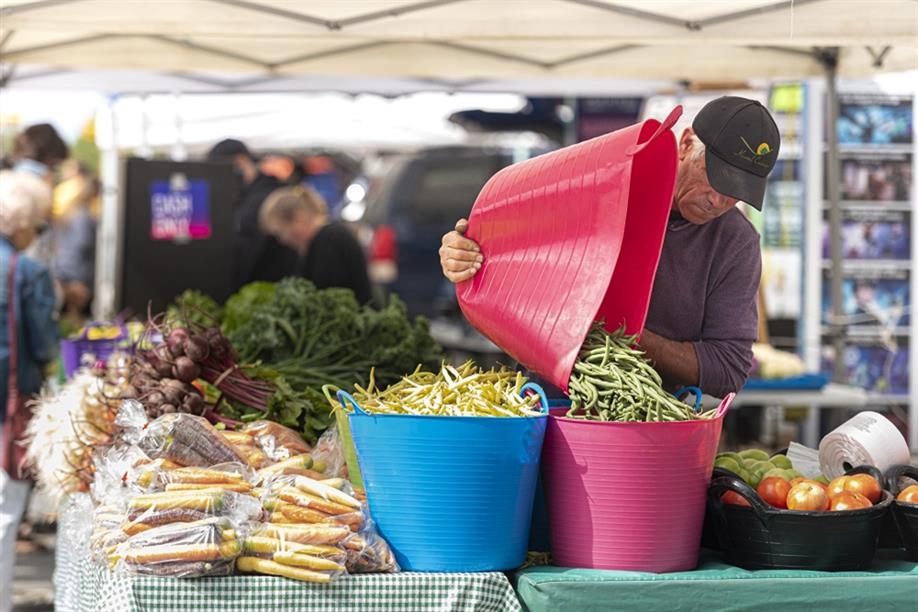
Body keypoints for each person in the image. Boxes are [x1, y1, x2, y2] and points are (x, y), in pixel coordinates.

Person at [439, 96, 781, 398]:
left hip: (648, 423)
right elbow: (501, 260)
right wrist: (463, 255)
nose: (719, 200)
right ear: (686, 143)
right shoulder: (600, 188)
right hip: (546, 404)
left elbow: (728, 369)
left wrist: (622, 334)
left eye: (737, 190)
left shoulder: (736, 243)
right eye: (716, 178)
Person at [0, 170, 59, 612]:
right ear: (20, 222)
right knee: (3, 514)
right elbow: (42, 344)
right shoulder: (29, 271)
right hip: (9, 405)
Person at [206, 139, 299, 291]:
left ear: (240, 161)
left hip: (270, 288)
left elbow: (247, 252)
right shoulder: (252, 195)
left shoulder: (262, 198)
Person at [259, 185, 373, 305]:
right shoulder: (323, 241)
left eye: (280, 232)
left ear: (298, 219)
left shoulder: (329, 242)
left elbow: (329, 300)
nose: (281, 240)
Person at [52, 162, 98, 326]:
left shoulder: (67, 210)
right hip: (78, 277)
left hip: (64, 272)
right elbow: (82, 245)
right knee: (76, 323)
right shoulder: (82, 216)